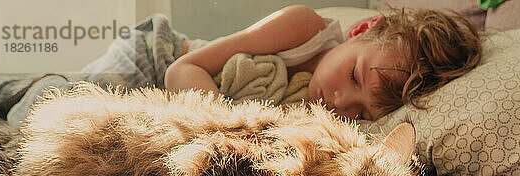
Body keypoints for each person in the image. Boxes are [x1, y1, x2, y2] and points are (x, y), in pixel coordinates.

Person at [165, 5, 481, 121]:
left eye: (361, 113)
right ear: (361, 29)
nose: (340, 102)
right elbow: (182, 69)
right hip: (160, 51)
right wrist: (231, 129)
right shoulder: (302, 27)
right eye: (354, 77)